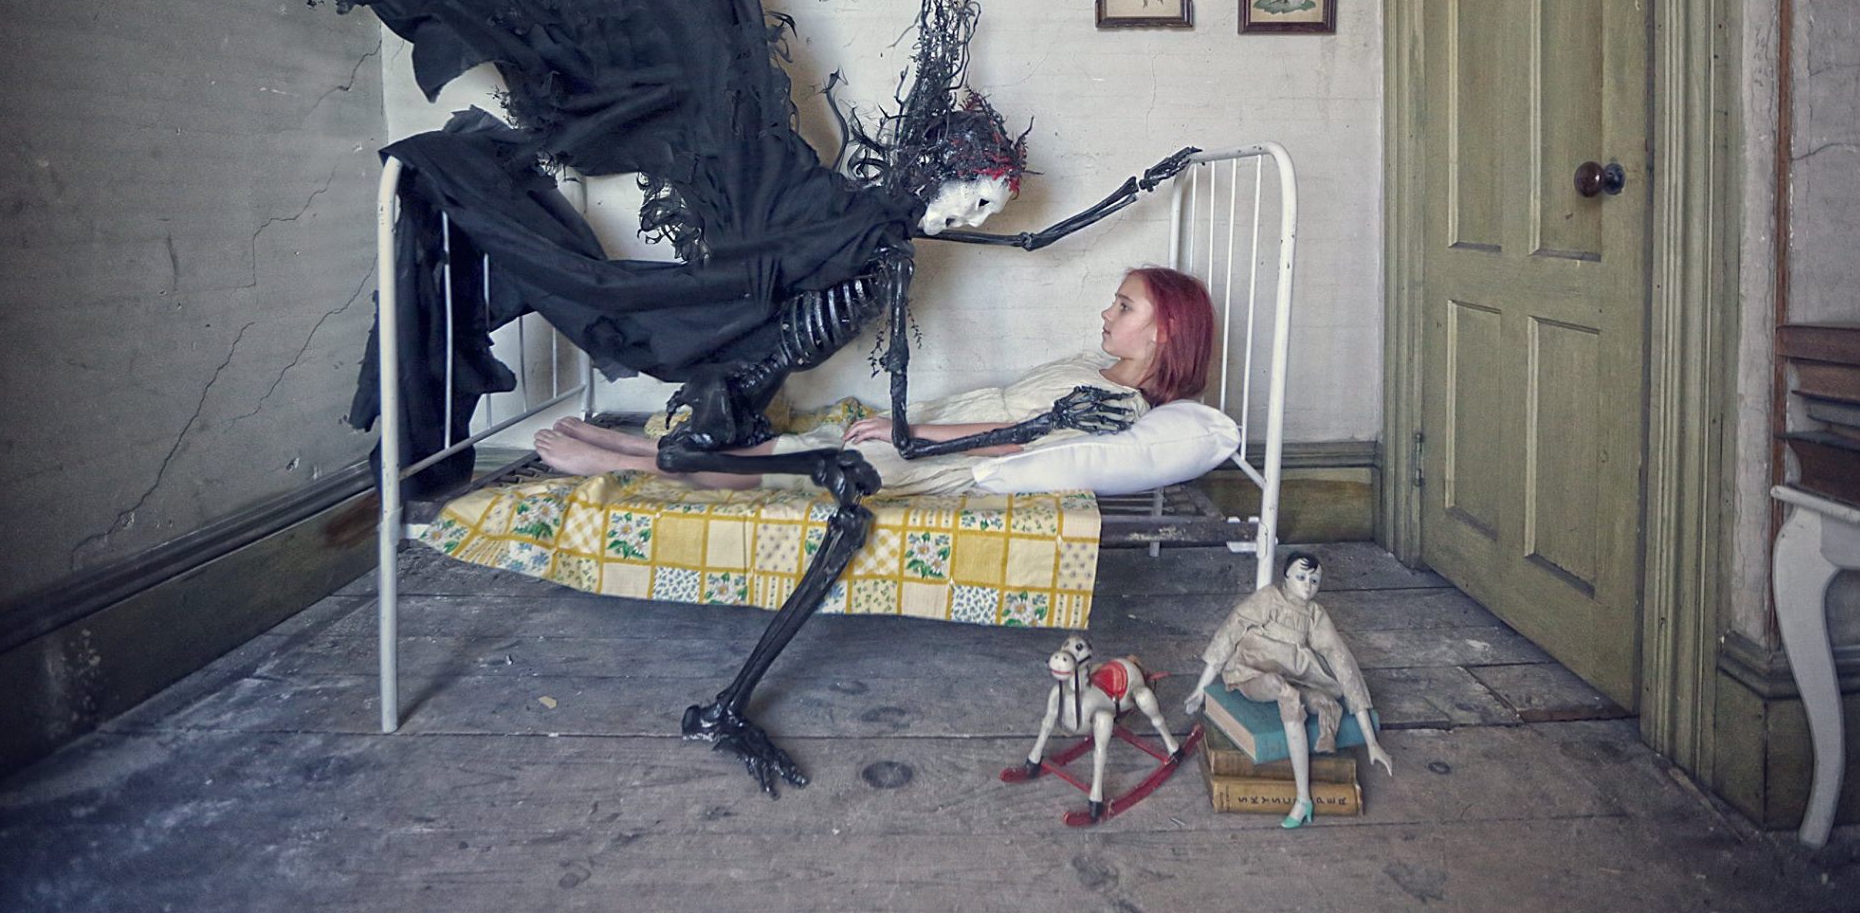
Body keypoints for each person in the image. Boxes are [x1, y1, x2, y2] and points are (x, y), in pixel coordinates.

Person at [531, 266, 1215, 496]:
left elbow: (1015, 439)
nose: (1107, 312)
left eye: (1125, 307)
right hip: (938, 429)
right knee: (805, 442)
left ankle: (618, 464)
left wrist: (905, 431)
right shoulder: (1095, 366)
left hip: (941, 456)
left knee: (780, 463)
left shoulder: (1115, 403)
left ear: (1163, 331)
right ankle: (634, 447)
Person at [1184, 549, 1393, 828]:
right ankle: (1303, 798)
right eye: (1301, 577)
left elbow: (1344, 664)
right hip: (1252, 673)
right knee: (1282, 689)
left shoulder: (1315, 615)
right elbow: (1229, 632)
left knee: (1318, 699)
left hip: (1295, 677)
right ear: (1285, 577)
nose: (1308, 585)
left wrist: (1371, 741)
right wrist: (1201, 688)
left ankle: (1303, 800)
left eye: (1314, 580)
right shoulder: (1269, 598)